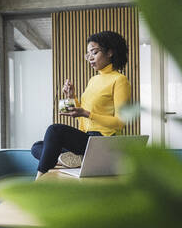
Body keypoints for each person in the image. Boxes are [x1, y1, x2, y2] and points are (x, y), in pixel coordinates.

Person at [31, 31, 131, 180]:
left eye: (94, 52)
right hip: (87, 138)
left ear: (110, 52)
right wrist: (72, 97)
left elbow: (120, 122)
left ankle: (38, 180)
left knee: (54, 130)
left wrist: (86, 113)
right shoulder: (93, 80)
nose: (90, 58)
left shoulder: (120, 80)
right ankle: (78, 159)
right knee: (37, 146)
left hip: (102, 141)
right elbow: (84, 120)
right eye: (88, 54)